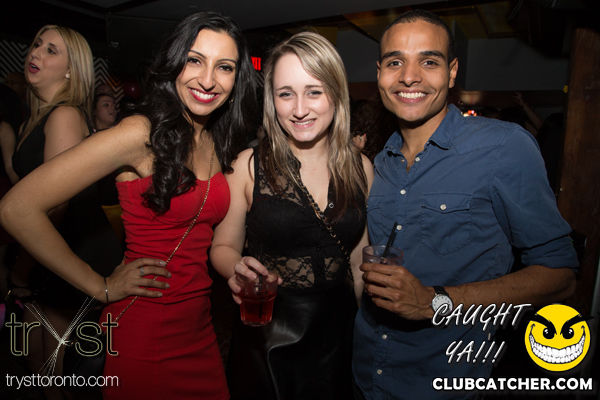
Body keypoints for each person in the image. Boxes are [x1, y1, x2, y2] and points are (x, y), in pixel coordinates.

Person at [0, 11, 259, 399]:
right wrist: (100, 286)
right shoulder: (139, 133)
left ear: (237, 79)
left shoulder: (214, 138)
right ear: (174, 63)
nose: (208, 79)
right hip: (146, 331)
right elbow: (17, 207)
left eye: (224, 67)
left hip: (199, 328)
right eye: (195, 60)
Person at [352, 10, 578, 400]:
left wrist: (435, 302)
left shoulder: (503, 147)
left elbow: (560, 276)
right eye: (395, 62)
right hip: (366, 374)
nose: (409, 76)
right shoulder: (378, 164)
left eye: (429, 61)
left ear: (452, 72)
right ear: (380, 74)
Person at [210, 31, 373, 400]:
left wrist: (366, 326)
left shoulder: (362, 168)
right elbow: (222, 246)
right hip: (268, 334)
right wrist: (236, 268)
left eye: (314, 91)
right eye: (286, 94)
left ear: (336, 94)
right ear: (272, 101)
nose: (299, 109)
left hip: (339, 333)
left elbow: (358, 257)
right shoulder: (248, 166)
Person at [3, 25, 122, 400]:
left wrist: (21, 268)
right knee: (37, 359)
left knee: (57, 368)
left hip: (76, 253)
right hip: (49, 253)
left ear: (72, 70)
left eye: (51, 50)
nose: (36, 52)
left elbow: (55, 205)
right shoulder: (33, 120)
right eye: (36, 44)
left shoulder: (64, 116)